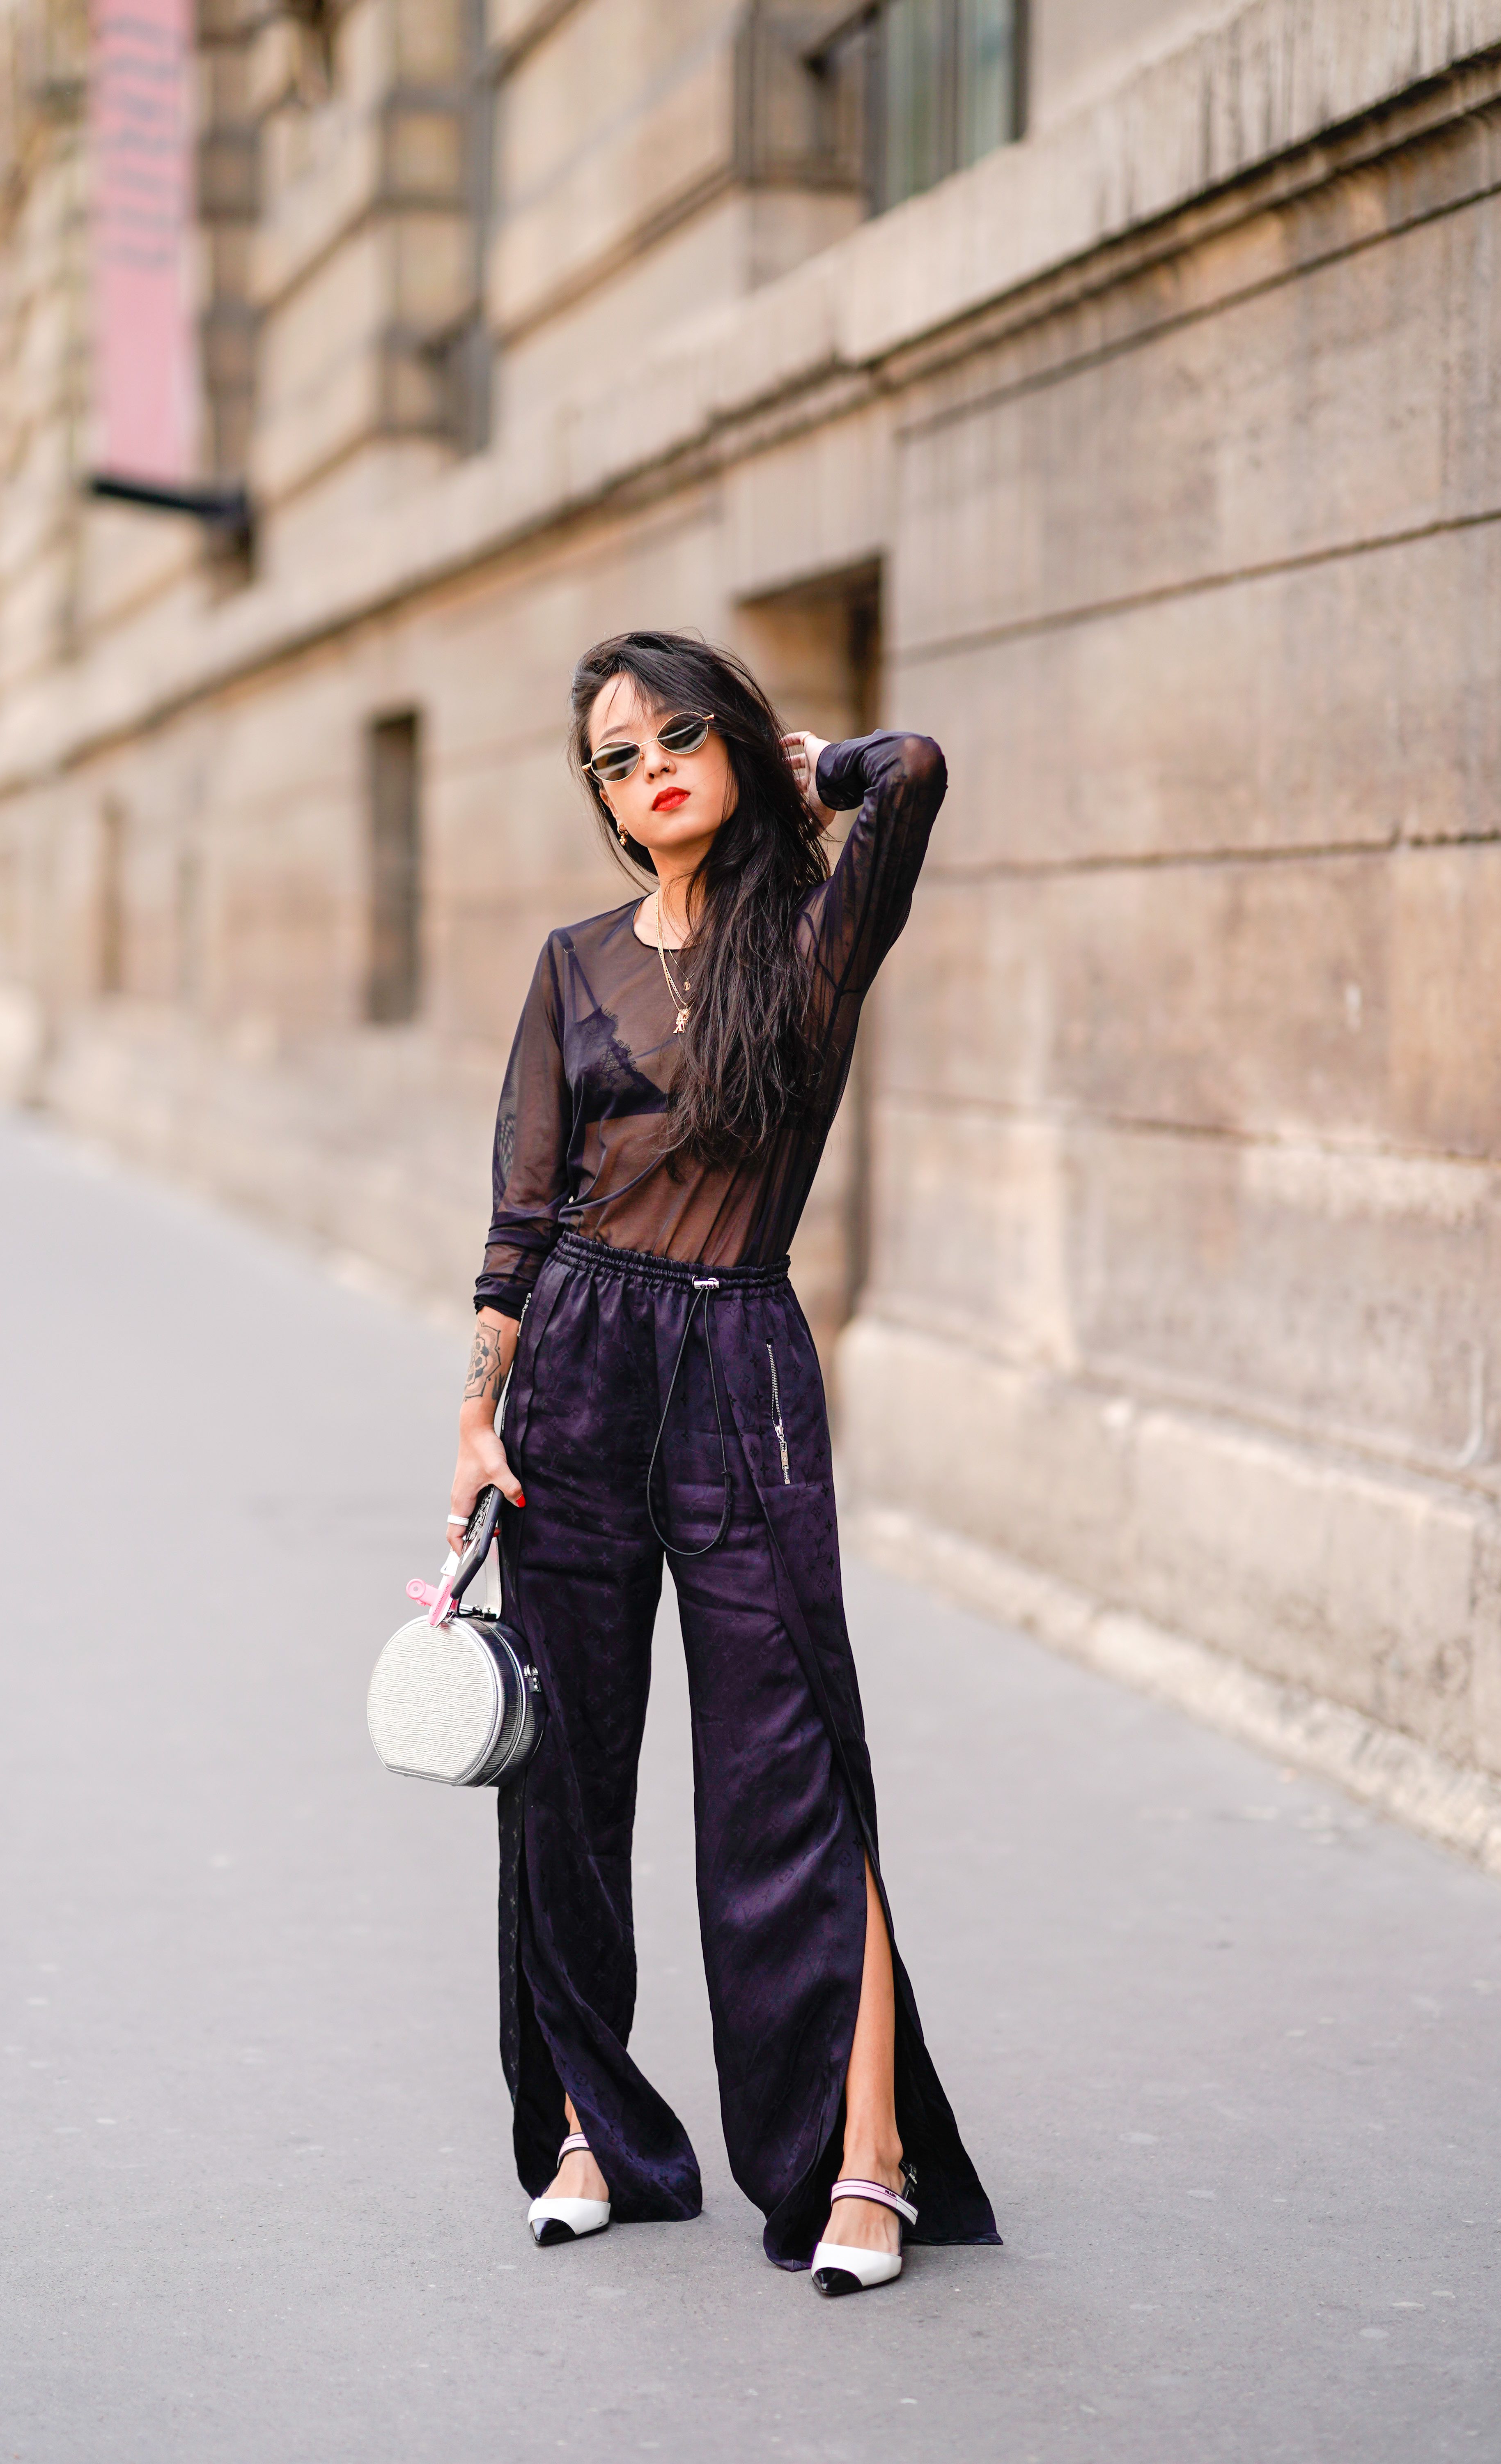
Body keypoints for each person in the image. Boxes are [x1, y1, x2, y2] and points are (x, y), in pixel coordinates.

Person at [447, 628, 998, 2295]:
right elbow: (520, 1215)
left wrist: (805, 765)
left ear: (732, 742)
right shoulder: (573, 962)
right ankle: (587, 2133)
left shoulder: (814, 934)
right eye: (616, 760)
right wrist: (477, 1415)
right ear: (600, 801)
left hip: (740, 1364)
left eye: (679, 735)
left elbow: (910, 771)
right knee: (568, 1777)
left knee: (792, 1770)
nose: (650, 771)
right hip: (577, 1381)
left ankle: (865, 2163)